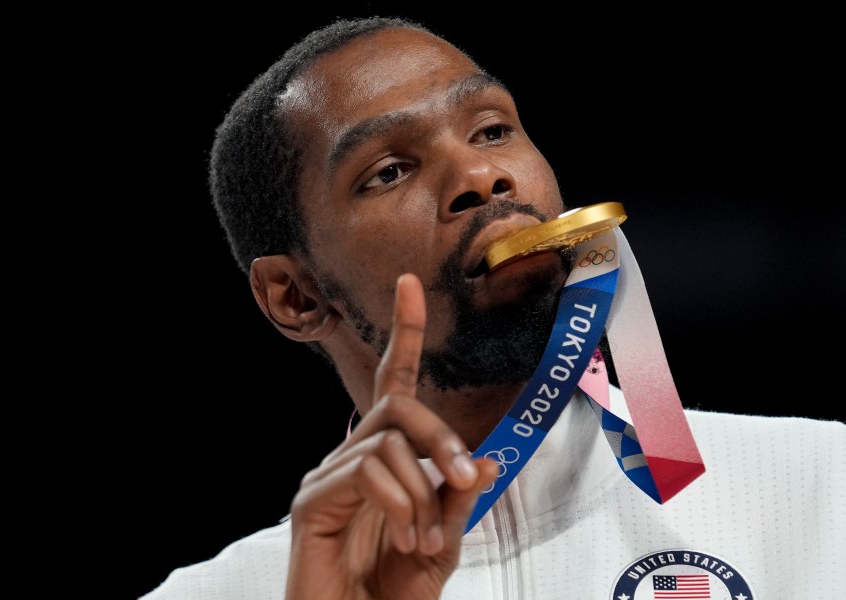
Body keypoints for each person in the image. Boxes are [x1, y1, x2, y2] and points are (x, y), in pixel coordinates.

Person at [141, 15, 846, 600]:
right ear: (296, 296)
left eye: (491, 130)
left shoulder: (822, 486)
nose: (482, 176)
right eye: (390, 171)